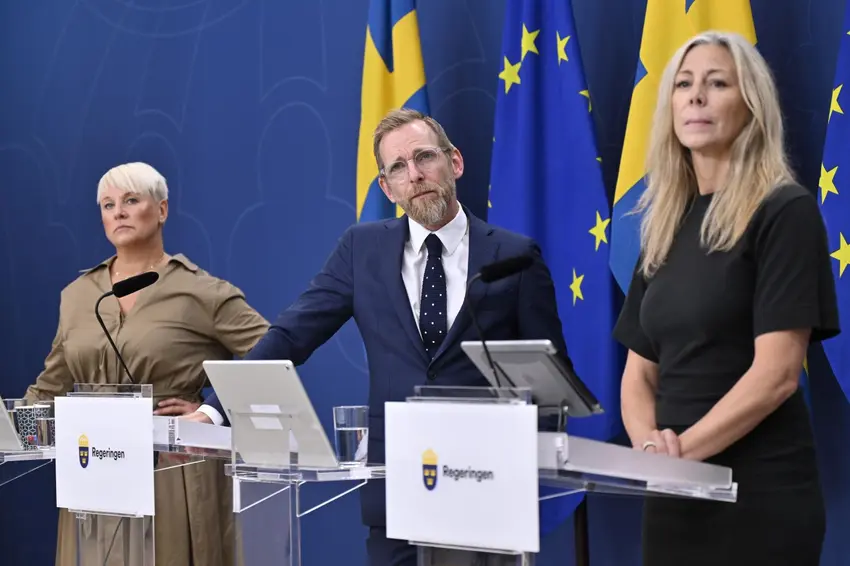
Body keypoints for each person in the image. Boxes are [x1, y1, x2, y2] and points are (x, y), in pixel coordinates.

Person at [184, 108, 569, 566]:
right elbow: (292, 333)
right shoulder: (361, 249)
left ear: (455, 162)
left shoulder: (513, 256)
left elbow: (550, 379)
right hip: (395, 485)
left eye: (425, 157)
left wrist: (528, 464)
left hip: (484, 484)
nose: (415, 175)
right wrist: (214, 409)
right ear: (387, 188)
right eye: (398, 167)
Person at [613, 30, 840, 566]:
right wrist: (651, 452)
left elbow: (777, 374)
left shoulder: (784, 212)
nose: (696, 96)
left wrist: (680, 456)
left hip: (758, 495)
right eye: (684, 84)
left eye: (717, 83)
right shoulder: (664, 227)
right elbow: (638, 374)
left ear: (752, 106)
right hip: (673, 496)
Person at [23, 162, 270, 566]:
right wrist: (12, 432)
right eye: (108, 205)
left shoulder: (202, 292)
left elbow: (273, 358)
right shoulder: (78, 295)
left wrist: (213, 411)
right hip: (93, 472)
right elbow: (50, 388)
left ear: (161, 210)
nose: (118, 212)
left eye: (131, 200)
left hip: (172, 470)